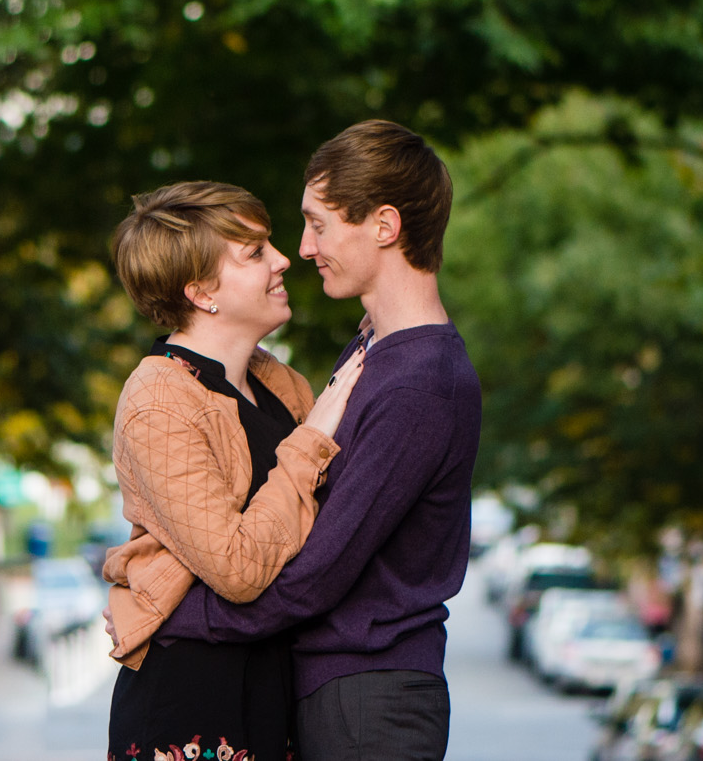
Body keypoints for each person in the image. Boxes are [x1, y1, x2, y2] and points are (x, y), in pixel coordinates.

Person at [108, 120, 481, 761]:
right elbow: (255, 544)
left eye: (316, 225)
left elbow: (309, 567)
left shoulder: (388, 381)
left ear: (384, 226)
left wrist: (166, 614)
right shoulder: (362, 357)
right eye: (257, 252)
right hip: (238, 691)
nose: (297, 252)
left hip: (351, 687)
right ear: (200, 292)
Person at [103, 180, 367, 761]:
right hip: (193, 700)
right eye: (254, 254)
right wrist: (313, 439)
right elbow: (239, 567)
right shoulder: (159, 401)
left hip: (280, 682)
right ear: (200, 292)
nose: (282, 260)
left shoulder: (282, 383)